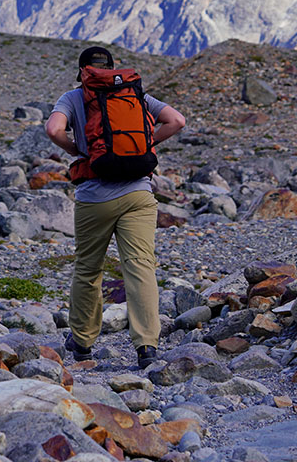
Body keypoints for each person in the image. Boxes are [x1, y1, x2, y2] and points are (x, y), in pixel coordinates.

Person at [44, 46, 186, 368]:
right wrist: (148, 144)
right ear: (111, 67)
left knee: (88, 268)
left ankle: (81, 342)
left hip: (94, 197)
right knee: (140, 266)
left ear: (82, 71)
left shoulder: (73, 97)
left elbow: (53, 129)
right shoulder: (133, 92)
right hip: (138, 193)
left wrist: (78, 149)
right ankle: (147, 346)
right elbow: (177, 120)